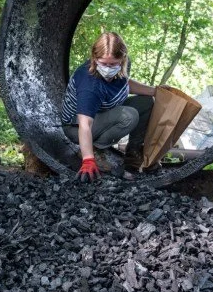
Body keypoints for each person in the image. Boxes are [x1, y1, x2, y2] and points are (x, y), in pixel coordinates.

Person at [61, 32, 158, 182]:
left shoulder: (122, 67)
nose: (108, 69)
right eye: (103, 63)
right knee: (128, 116)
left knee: (146, 103)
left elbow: (124, 84)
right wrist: (88, 160)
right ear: (94, 58)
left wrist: (155, 91)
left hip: (103, 113)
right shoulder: (90, 85)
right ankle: (97, 149)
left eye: (113, 64)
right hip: (76, 127)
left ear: (123, 59)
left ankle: (133, 153)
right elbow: (85, 124)